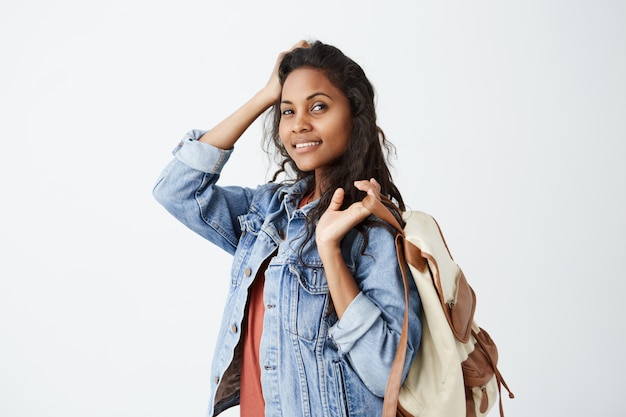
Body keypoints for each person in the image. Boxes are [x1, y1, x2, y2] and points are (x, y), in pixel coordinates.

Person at [153, 40, 422, 417]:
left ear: (354, 113)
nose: (299, 124)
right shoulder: (268, 212)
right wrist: (265, 94)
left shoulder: (370, 228)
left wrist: (329, 249)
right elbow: (176, 189)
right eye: (287, 111)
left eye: (318, 107)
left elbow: (385, 371)